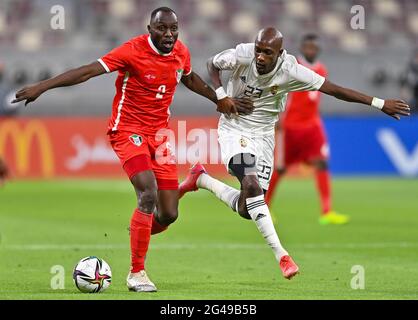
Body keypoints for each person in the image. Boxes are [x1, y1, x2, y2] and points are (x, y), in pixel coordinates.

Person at [12, 7, 253, 292]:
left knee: (168, 215)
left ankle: (187, 184)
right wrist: (43, 86)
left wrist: (218, 98)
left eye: (173, 29)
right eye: (162, 29)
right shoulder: (132, 51)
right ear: (150, 29)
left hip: (160, 136)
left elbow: (189, 78)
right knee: (147, 193)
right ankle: (137, 273)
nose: (169, 34)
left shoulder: (180, 52)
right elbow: (88, 71)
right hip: (128, 131)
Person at [179, 27, 410, 280]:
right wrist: (221, 96)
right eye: (259, 50)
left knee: (248, 208)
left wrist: (379, 103)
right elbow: (211, 64)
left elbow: (333, 89)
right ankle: (282, 255)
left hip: (264, 136)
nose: (260, 57)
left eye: (268, 53)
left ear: (280, 53)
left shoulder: (292, 70)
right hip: (235, 128)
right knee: (252, 185)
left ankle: (201, 179)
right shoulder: (242, 55)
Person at [265, 34, 349, 225]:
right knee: (280, 168)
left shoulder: (321, 69)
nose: (311, 49)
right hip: (291, 127)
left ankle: (327, 212)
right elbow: (278, 92)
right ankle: (265, 207)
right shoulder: (291, 67)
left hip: (313, 126)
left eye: (314, 46)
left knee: (322, 163)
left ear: (318, 49)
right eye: (308, 46)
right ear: (302, 48)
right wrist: (277, 117)